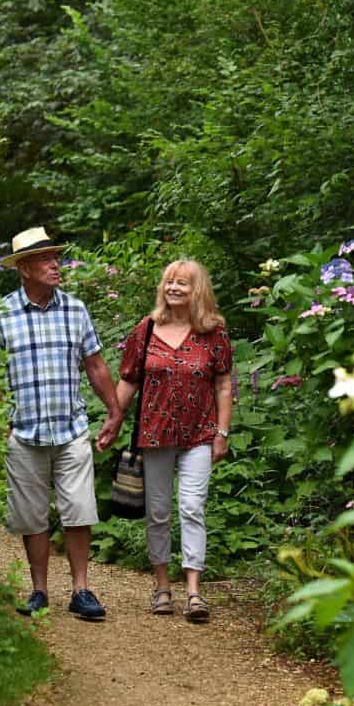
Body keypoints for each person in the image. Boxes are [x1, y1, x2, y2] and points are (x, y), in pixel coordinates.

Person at [0, 227, 123, 619]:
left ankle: (81, 589)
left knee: (79, 508)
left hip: (71, 429)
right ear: (25, 268)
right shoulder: (2, 314)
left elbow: (94, 365)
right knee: (32, 517)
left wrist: (113, 410)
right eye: (45, 259)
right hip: (23, 432)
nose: (55, 265)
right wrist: (0, 424)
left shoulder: (75, 309)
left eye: (55, 257)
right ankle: (39, 590)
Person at [115, 259, 233, 622]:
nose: (174, 288)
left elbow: (224, 385)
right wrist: (113, 419)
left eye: (182, 283)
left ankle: (194, 592)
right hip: (155, 434)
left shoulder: (214, 333)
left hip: (199, 433)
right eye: (169, 282)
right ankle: (162, 586)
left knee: (193, 507)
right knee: (158, 511)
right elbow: (129, 379)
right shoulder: (146, 330)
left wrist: (222, 433)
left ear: (197, 290)